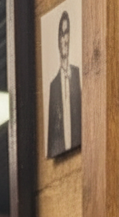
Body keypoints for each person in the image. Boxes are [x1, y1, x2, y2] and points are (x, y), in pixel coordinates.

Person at [47, 9, 81, 157]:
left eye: (67, 33)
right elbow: (51, 142)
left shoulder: (78, 75)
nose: (64, 39)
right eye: (62, 34)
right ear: (58, 39)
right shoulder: (53, 86)